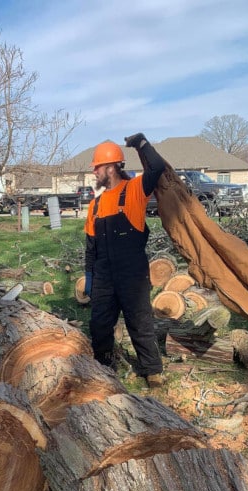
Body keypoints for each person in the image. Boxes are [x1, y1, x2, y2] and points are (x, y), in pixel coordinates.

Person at [84, 133, 166, 387]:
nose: (94, 173)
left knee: (139, 322)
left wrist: (141, 143)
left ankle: (152, 370)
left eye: (97, 168)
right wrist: (89, 276)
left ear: (110, 167)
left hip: (131, 272)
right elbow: (90, 245)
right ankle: (103, 367)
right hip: (104, 273)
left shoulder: (134, 190)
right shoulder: (94, 205)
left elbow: (157, 167)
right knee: (99, 324)